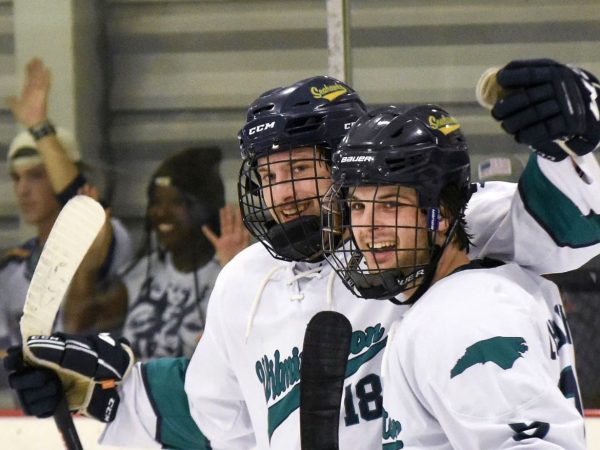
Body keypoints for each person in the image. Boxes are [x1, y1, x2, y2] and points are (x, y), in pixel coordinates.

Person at [5, 60, 600, 450]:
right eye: (268, 173)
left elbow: (565, 221)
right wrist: (108, 392)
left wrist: (582, 137)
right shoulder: (246, 280)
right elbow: (219, 407)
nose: (282, 194)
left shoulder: (433, 226)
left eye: (300, 169)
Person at [323, 103, 590, 448]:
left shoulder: (461, 318)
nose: (368, 228)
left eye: (391, 204)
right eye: (358, 206)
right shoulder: (485, 290)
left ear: (442, 215)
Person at [65, 146, 252, 360]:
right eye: (155, 201)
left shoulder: (228, 274)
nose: (162, 212)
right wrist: (89, 262)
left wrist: (238, 272)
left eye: (177, 202)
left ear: (204, 209)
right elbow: (76, 326)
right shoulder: (141, 275)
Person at [0, 58, 134, 351]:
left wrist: (39, 127)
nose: (22, 190)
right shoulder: (12, 268)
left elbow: (82, 209)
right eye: (16, 178)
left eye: (36, 175)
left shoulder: (108, 237)